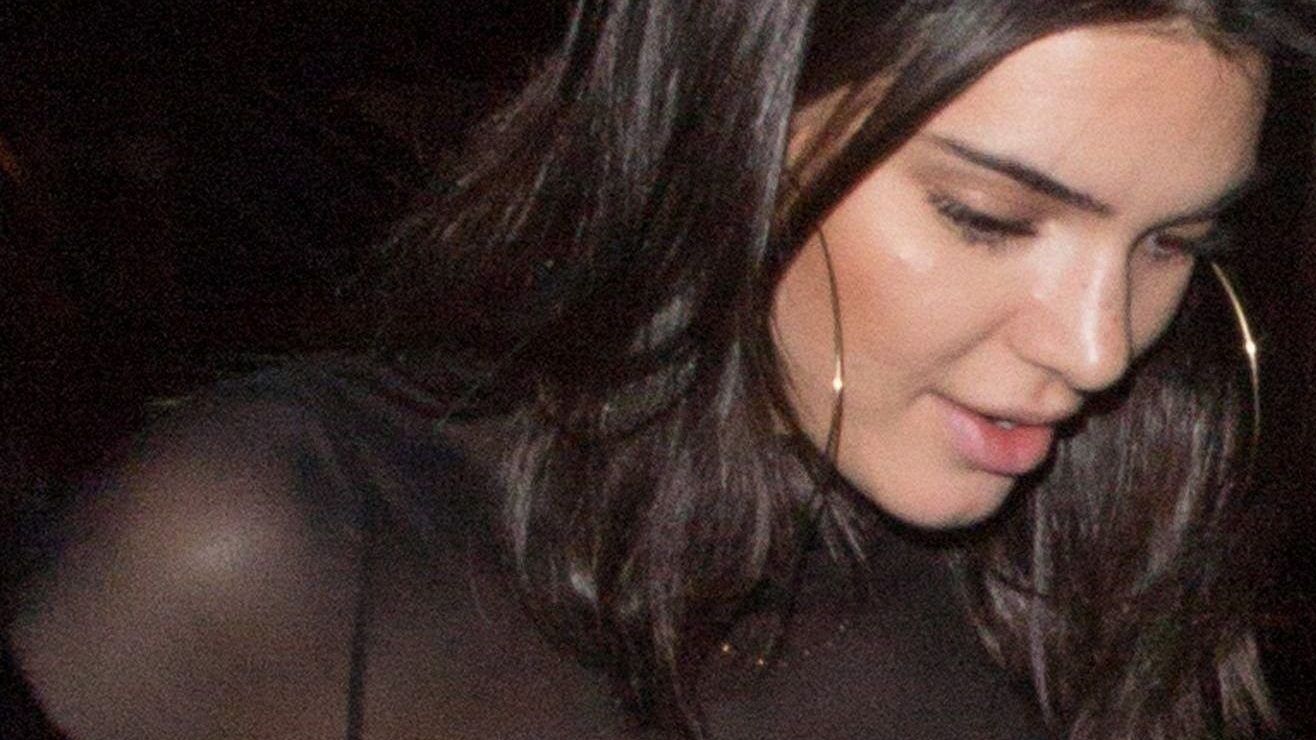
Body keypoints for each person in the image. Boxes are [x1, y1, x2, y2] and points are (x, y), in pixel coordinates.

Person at [5, 1, 1315, 738]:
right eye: (986, 218)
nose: (1097, 348)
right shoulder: (286, 553)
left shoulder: (1104, 574)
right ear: (726, 129)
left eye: (1173, 245)